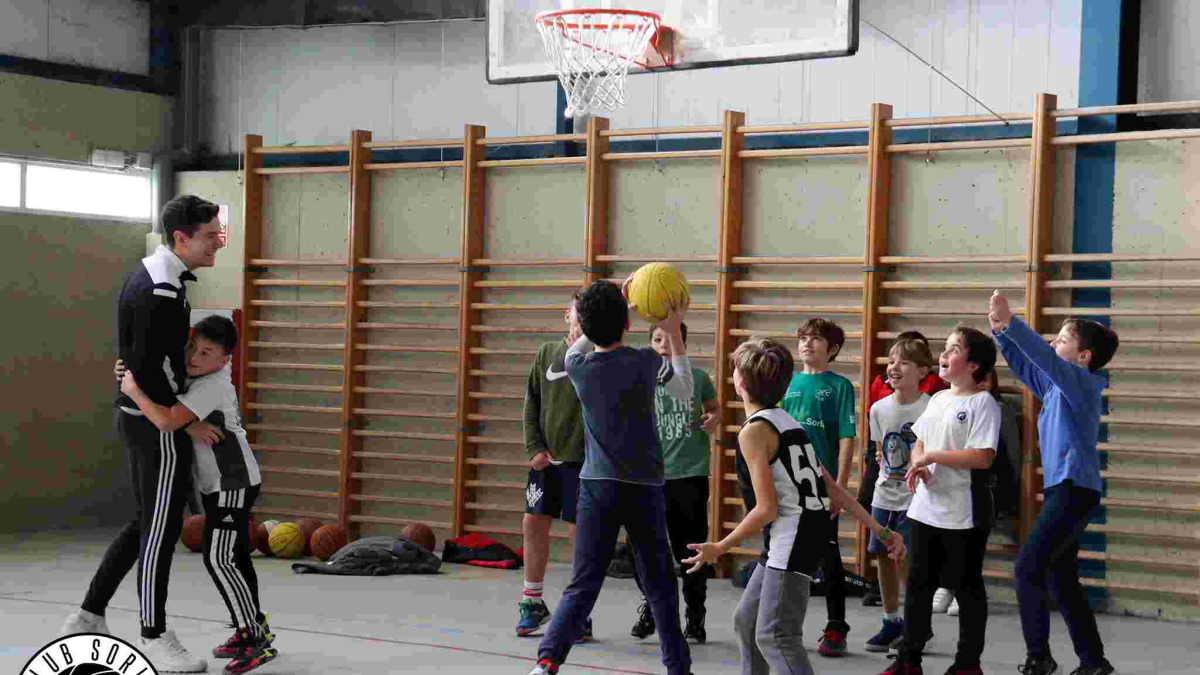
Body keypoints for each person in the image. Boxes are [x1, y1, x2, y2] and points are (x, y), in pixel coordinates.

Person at [61, 195, 223, 674]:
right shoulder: (161, 290)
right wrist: (186, 418)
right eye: (210, 235)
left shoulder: (155, 275)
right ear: (181, 237)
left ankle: (88, 615)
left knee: (145, 522)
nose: (218, 243)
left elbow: (141, 356)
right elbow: (152, 369)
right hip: (155, 425)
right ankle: (154, 637)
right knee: (160, 529)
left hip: (139, 416)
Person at [682, 337, 904, 675]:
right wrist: (880, 529)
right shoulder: (788, 421)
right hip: (802, 530)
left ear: (740, 382)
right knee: (747, 620)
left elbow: (766, 509)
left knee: (776, 635)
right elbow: (830, 486)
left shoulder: (755, 431)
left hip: (793, 535)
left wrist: (720, 547)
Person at [527, 279, 695, 675]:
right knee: (659, 585)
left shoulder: (576, 366)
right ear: (627, 326)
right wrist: (672, 330)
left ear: (582, 323)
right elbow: (685, 389)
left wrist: (608, 312)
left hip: (597, 489)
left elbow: (576, 347)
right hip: (645, 490)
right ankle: (678, 668)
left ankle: (547, 660)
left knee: (583, 583)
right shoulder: (643, 361)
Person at [120, 316, 277, 675]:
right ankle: (252, 627)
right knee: (234, 556)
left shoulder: (212, 385)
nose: (194, 356)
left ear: (223, 361)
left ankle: (255, 640)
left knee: (221, 559)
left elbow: (164, 420)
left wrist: (132, 391)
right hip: (221, 485)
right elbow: (175, 404)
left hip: (232, 484)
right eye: (193, 347)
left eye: (206, 353)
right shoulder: (199, 375)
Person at [989, 292, 1118, 675]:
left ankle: (1039, 657)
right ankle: (1093, 661)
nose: (1052, 344)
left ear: (1083, 357)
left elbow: (1042, 358)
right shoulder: (1058, 389)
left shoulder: (1081, 383)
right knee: (1062, 579)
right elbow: (1029, 367)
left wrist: (1011, 323)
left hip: (1074, 491)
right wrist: (1000, 335)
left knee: (1027, 567)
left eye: (1062, 340)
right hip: (1069, 490)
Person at [882, 326, 1001, 675]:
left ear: (975, 364)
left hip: (964, 513)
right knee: (918, 587)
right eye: (944, 348)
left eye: (953, 349)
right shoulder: (938, 399)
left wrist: (932, 456)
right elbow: (918, 439)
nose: (943, 355)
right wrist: (920, 460)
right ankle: (908, 660)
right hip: (925, 509)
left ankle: (967, 664)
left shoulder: (983, 404)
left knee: (966, 587)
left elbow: (982, 456)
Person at [629, 323, 720, 643]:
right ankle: (652, 608)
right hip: (648, 478)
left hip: (689, 476)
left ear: (683, 341)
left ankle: (695, 615)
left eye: (671, 340)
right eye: (657, 340)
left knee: (690, 549)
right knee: (641, 549)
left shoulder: (697, 378)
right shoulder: (640, 381)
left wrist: (714, 416)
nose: (664, 346)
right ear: (649, 344)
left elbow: (713, 408)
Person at [780, 318, 856, 656]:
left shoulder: (839, 386)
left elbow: (845, 439)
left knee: (829, 555)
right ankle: (781, 625)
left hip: (822, 488)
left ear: (833, 349)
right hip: (787, 484)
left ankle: (836, 627)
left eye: (816, 339)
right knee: (784, 554)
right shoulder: (787, 383)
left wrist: (839, 487)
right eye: (803, 338)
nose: (807, 344)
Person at [519, 290, 590, 640]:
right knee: (533, 523)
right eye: (579, 314)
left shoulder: (598, 357)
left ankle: (579, 612)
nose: (581, 321)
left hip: (585, 464)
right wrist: (534, 447)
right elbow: (531, 402)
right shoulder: (547, 353)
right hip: (546, 462)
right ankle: (532, 602)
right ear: (568, 315)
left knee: (581, 534)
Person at [861, 331, 947, 609]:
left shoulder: (931, 408)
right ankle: (891, 618)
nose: (894, 367)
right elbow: (880, 453)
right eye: (891, 361)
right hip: (883, 496)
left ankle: (915, 621)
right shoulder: (877, 409)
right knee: (883, 556)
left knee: (908, 558)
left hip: (916, 499)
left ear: (923, 371)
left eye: (904, 362)